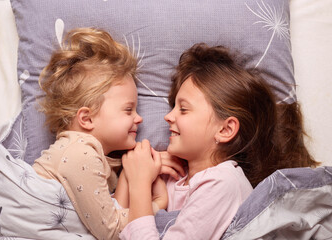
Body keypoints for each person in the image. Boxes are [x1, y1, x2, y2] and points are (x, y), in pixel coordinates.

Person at [119, 44, 318, 240]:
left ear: (225, 130)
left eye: (184, 109)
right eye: (173, 106)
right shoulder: (172, 177)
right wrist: (131, 174)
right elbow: (110, 223)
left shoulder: (223, 183)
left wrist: (139, 184)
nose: (168, 116)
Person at [32, 27, 168, 240]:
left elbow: (110, 212)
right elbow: (112, 231)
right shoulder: (79, 154)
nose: (139, 118)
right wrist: (158, 203)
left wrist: (129, 175)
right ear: (86, 119)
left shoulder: (91, 155)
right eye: (128, 109)